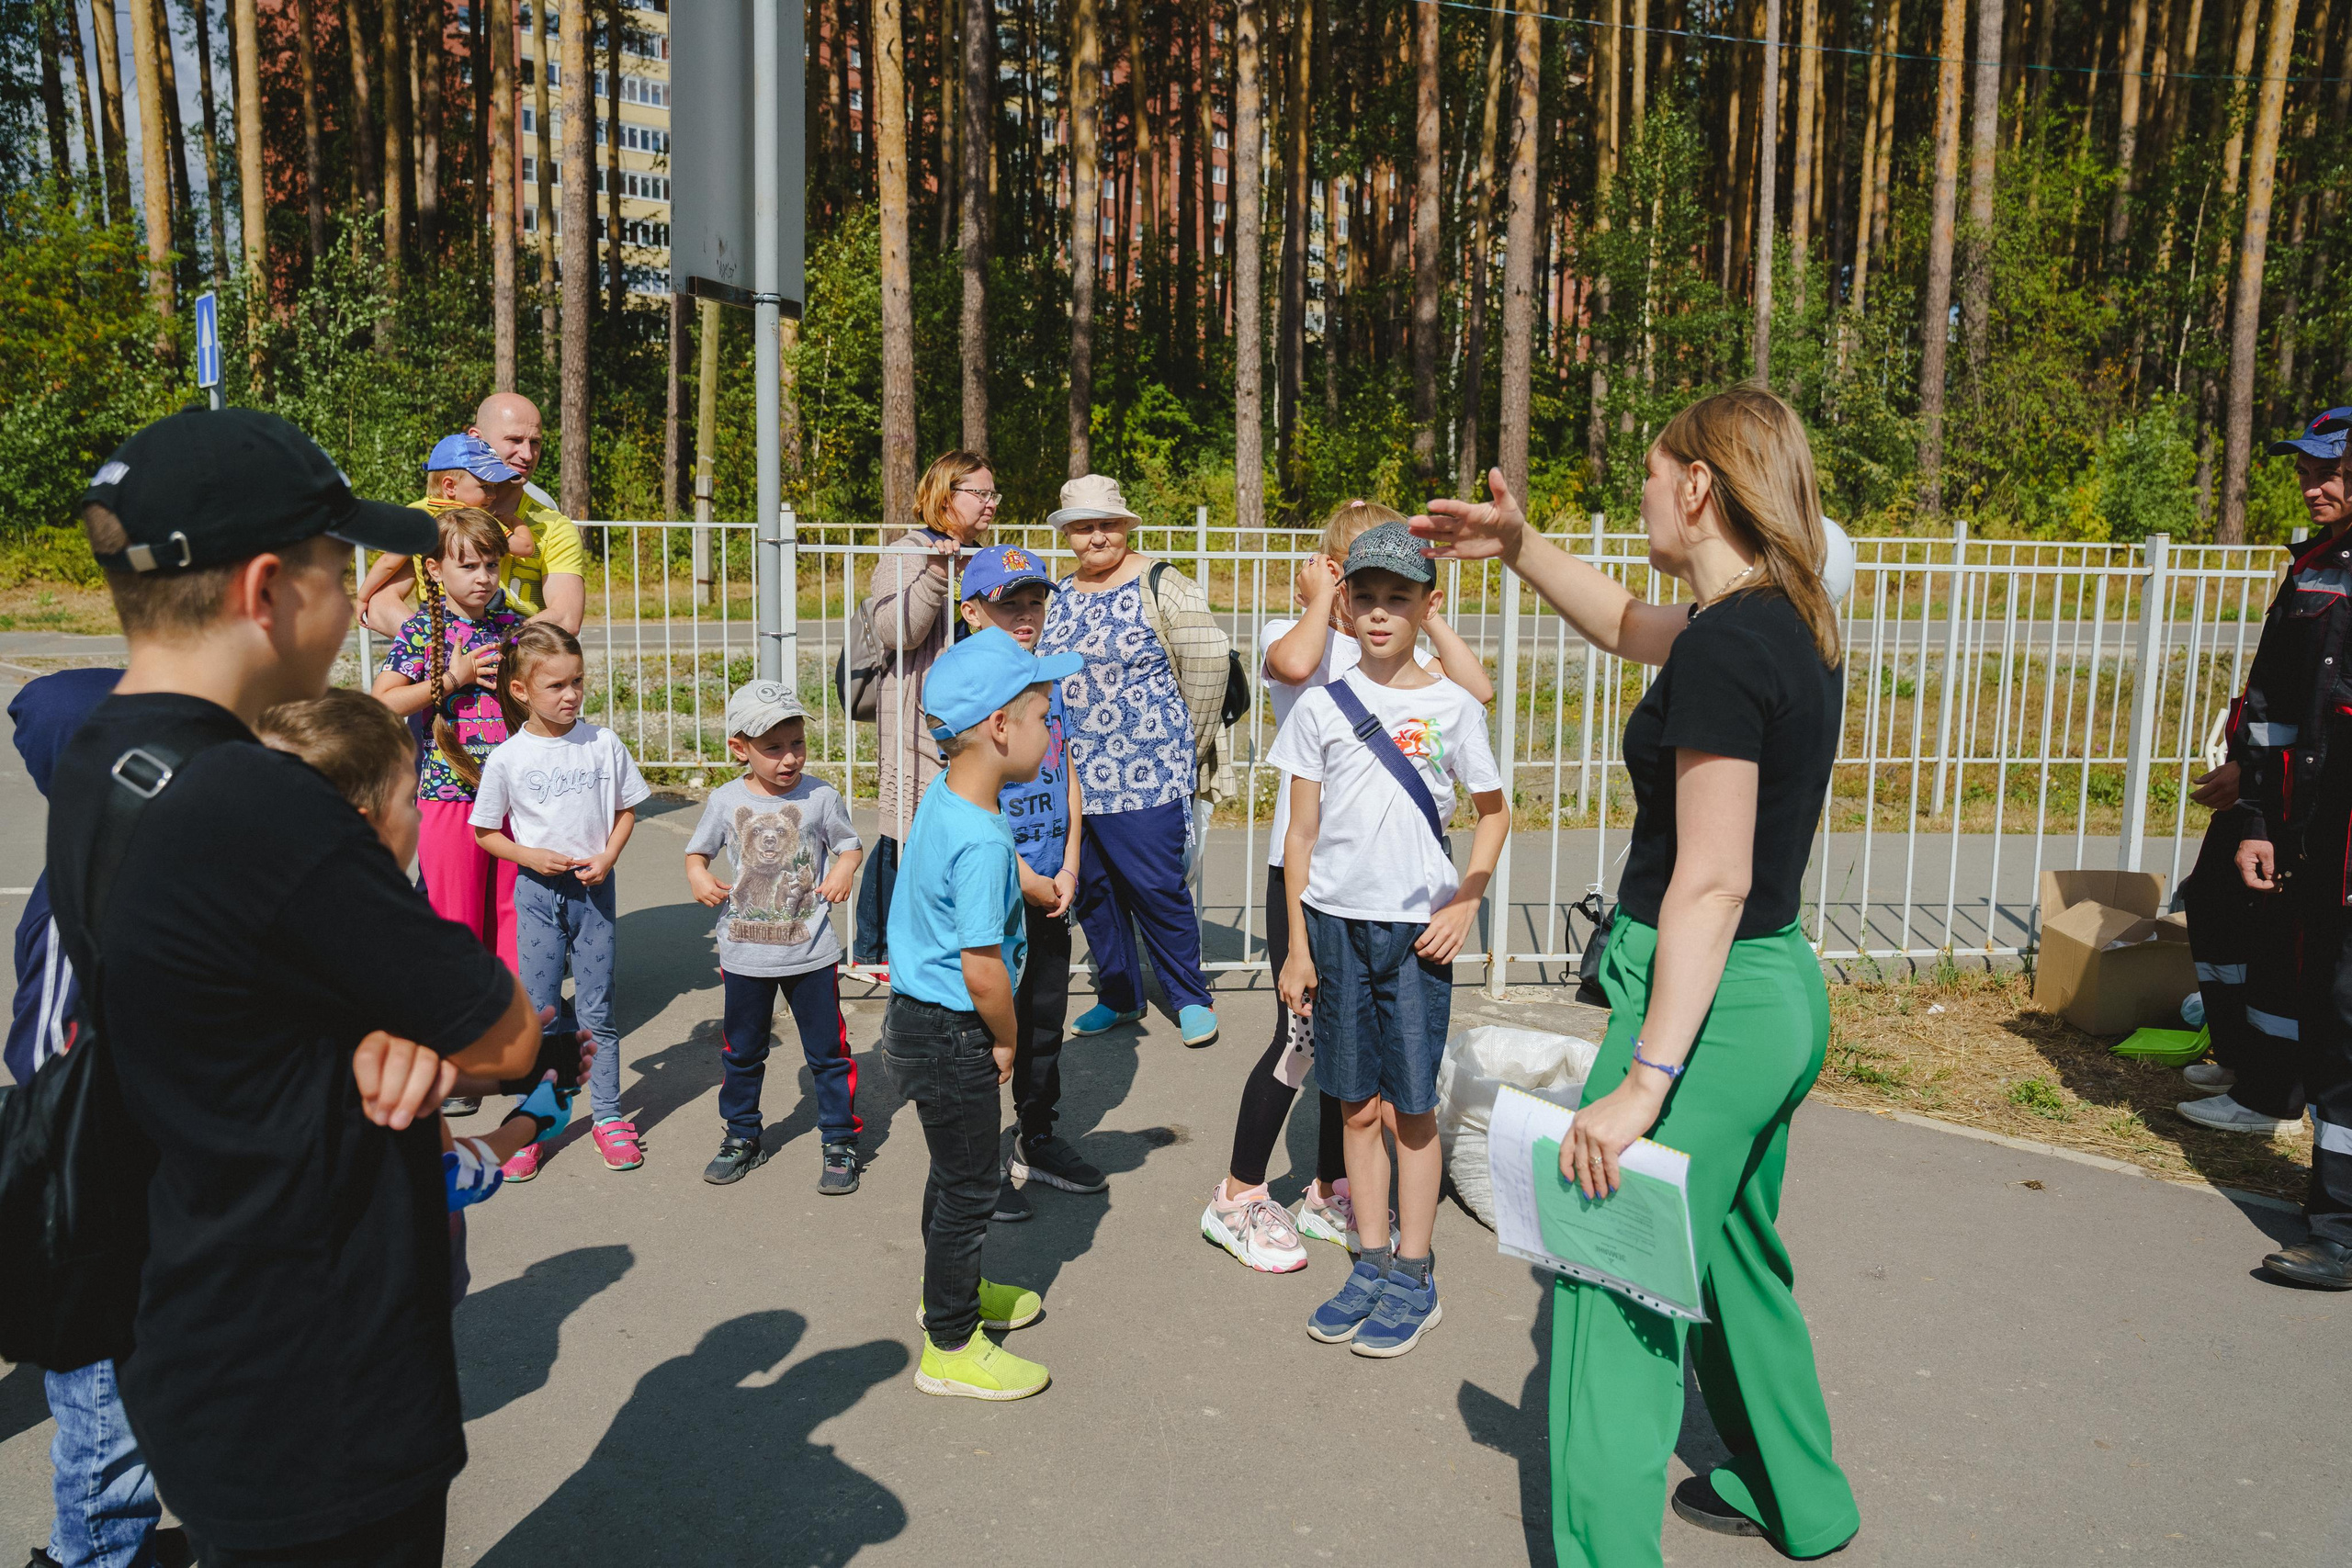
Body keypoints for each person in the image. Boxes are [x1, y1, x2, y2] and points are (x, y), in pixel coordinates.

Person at [51, 406, 548, 1567]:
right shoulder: (260, 804)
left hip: (197, 1317)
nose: (354, 599)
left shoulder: (105, 755)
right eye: (341, 568)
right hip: (316, 1363)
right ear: (270, 587)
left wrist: (374, 1022)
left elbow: (237, 989)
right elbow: (508, 1033)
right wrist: (414, 1027)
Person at [1413, 386, 1861, 1563]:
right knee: (1734, 1258)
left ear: (1701, 486)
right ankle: (1802, 1500)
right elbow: (1620, 621)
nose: (1644, 495)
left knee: (1608, 1290)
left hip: (1705, 1003)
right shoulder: (1785, 616)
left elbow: (1707, 884)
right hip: (1773, 993)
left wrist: (1641, 1086)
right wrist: (1516, 549)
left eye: (1655, 476)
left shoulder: (1727, 646)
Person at [1204, 498, 1495, 1273]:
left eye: (1394, 589)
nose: (1376, 608)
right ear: (1336, 574)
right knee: (1300, 1036)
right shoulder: (1300, 634)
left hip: (1386, 891)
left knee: (1350, 1059)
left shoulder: (1400, 649)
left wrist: (1424, 611)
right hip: (1309, 883)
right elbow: (1295, 667)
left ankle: (1333, 1187)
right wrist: (1318, 602)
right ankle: (1237, 1191)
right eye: (1360, 581)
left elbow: (1478, 690)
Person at [254, 689, 589, 1303]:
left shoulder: (240, 938)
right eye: (411, 799)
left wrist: (505, 1083)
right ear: (359, 827)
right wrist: (531, 1114)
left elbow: (367, 1082)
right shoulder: (375, 952)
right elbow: (444, 1175)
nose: (419, 814)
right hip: (377, 1285)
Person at [1266, 523, 1510, 1357]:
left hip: (1416, 939)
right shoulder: (1321, 707)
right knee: (1354, 1105)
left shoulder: (1451, 705)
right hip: (1332, 929)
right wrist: (1297, 946)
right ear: (1342, 601)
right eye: (1363, 597)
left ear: (1426, 607)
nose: (1377, 613)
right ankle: (1368, 1259)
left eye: (1397, 598)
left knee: (1410, 1108)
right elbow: (1299, 837)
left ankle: (1414, 1269)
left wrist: (1465, 903)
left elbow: (1494, 811)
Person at [6, 668, 193, 1568]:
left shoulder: (147, 867)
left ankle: (114, 1538)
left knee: (140, 1388)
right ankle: (85, 1558)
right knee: (100, 1405)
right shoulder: (81, 894)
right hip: (92, 1193)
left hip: (152, 1175)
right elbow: (48, 1064)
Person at [884, 627, 1078, 1401]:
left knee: (954, 1170)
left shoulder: (955, 801)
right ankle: (951, 1344)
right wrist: (1006, 1040)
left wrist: (1028, 881)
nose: (1050, 729)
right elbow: (984, 969)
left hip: (919, 1020)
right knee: (969, 1188)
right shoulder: (983, 844)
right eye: (1041, 715)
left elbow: (974, 858)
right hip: (956, 1028)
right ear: (1001, 728)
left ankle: (947, 1293)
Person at [2195, 404, 2352, 1290]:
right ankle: (2331, 1210)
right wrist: (2255, 820)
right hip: (2309, 841)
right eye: (2307, 466)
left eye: (2332, 468)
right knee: (2331, 1015)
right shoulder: (2315, 571)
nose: (2313, 482)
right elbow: (2271, 708)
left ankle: (2338, 1227)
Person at [1035, 473, 1228, 1048]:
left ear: (1126, 527)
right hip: (1075, 774)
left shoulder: (1164, 585)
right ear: (1067, 534)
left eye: (1108, 524)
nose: (1097, 537)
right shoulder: (1060, 594)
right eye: (1083, 527)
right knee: (1092, 888)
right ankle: (1118, 996)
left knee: (1157, 886)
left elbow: (1208, 667)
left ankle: (1189, 994)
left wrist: (1182, 748)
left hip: (1147, 771)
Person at [953, 545, 1103, 1223]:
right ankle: (979, 1163)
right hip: (1000, 889)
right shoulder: (964, 689)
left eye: (1035, 601)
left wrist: (1068, 863)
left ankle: (1036, 1137)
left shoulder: (1049, 678)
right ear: (970, 610)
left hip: (1050, 883)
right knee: (991, 1027)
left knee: (1045, 1021)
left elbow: (1066, 770)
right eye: (1007, 603)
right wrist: (1028, 881)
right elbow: (964, 805)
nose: (1025, 615)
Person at [471, 623, 650, 1177]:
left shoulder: (603, 744)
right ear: (521, 691)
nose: (571, 695)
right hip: (537, 894)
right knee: (543, 1015)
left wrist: (609, 856)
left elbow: (626, 810)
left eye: (577, 682)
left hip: (593, 893)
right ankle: (533, 1124)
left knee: (597, 1009)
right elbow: (485, 833)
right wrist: (529, 857)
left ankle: (608, 1116)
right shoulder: (507, 758)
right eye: (556, 686)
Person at [684, 682, 867, 1192]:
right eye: (773, 748)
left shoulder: (821, 797)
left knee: (828, 1053)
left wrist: (844, 870)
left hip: (811, 952)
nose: (789, 758)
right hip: (744, 955)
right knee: (742, 1052)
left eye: (797, 744)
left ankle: (839, 1140)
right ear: (739, 748)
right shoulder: (725, 801)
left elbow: (849, 846)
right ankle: (741, 1137)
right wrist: (698, 874)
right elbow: (696, 853)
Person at [855, 449, 1001, 977]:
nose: (989, 503)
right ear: (945, 495)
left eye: (992, 494)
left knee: (951, 833)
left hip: (975, 724)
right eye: (979, 493)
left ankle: (929, 944)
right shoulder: (906, 552)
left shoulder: (986, 555)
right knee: (905, 834)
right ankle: (883, 952)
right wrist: (940, 572)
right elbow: (897, 631)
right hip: (918, 723)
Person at [372, 507, 528, 974]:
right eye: (469, 565)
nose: (483, 577)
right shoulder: (420, 631)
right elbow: (383, 703)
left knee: (513, 918)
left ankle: (521, 1021)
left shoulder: (510, 629)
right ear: (435, 571)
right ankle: (456, 1022)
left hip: (512, 798)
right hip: (448, 794)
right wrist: (450, 680)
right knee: (453, 919)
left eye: (491, 565)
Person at [356, 396, 589, 636]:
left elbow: (566, 617)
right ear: (476, 438)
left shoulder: (554, 527)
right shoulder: (432, 517)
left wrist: (493, 649)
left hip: (517, 659)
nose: (528, 454)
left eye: (535, 442)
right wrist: (443, 649)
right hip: (445, 655)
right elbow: (381, 605)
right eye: (515, 440)